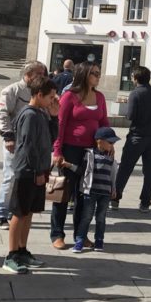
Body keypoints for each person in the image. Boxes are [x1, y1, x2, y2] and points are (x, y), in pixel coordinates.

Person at [52, 63, 109, 249]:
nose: (98, 76)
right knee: (62, 194)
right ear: (84, 74)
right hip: (69, 150)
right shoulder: (69, 96)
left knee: (84, 196)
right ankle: (57, 234)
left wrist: (108, 141)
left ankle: (80, 235)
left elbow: (104, 122)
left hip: (91, 153)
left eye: (99, 73)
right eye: (95, 73)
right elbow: (60, 125)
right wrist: (57, 151)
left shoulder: (99, 97)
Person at [3, 78, 56, 274]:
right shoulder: (29, 115)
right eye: (50, 97)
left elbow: (51, 139)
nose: (53, 100)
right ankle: (11, 255)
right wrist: (36, 172)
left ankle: (22, 249)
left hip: (38, 171)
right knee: (19, 212)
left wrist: (55, 116)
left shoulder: (41, 113)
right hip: (27, 172)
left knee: (29, 212)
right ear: (39, 94)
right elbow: (27, 146)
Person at [0, 61, 50, 230]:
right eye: (40, 73)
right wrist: (8, 137)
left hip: (32, 143)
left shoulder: (39, 92)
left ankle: (15, 209)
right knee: (10, 177)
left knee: (24, 180)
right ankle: (1, 214)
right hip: (15, 142)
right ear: (29, 74)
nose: (43, 76)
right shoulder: (12, 90)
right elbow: (1, 115)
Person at [114, 65, 151, 213]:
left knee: (125, 168)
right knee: (149, 170)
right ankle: (145, 203)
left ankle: (115, 198)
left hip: (137, 136)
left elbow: (130, 116)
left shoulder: (135, 94)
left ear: (136, 78)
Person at [74, 126, 119, 253]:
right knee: (86, 217)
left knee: (101, 218)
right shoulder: (89, 154)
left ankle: (99, 240)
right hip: (90, 192)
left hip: (105, 193)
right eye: (110, 142)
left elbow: (113, 174)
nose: (112, 144)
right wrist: (68, 165)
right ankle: (79, 241)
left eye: (114, 142)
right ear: (99, 141)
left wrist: (113, 188)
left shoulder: (111, 157)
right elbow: (82, 171)